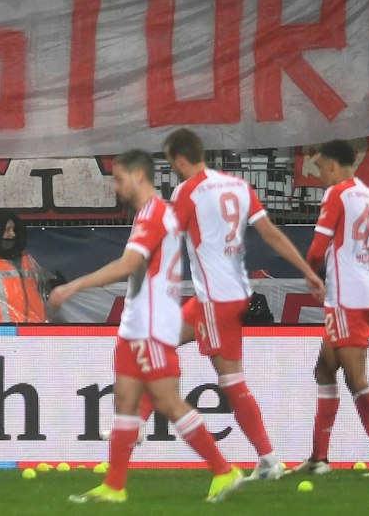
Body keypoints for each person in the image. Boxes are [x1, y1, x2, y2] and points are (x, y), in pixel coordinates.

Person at [51, 150, 245, 504]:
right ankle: (114, 485)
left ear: (139, 176)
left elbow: (129, 264)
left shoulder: (154, 213)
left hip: (154, 323)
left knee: (168, 401)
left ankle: (223, 470)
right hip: (136, 322)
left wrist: (74, 286)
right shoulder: (151, 213)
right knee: (125, 401)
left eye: (118, 178)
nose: (115, 186)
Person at [165, 129, 323, 479]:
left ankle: (269, 458)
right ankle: (127, 432)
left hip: (214, 299)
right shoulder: (238, 186)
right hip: (233, 292)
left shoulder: (186, 191)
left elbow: (165, 241)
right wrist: (306, 270)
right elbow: (269, 233)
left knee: (231, 381)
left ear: (179, 159)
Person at [291, 139, 369, 475]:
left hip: (344, 298)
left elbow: (318, 246)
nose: (320, 174)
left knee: (355, 378)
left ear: (336, 166)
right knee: (324, 369)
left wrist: (312, 274)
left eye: (322, 167)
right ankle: (319, 459)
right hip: (363, 293)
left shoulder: (337, 194)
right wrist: (366, 277)